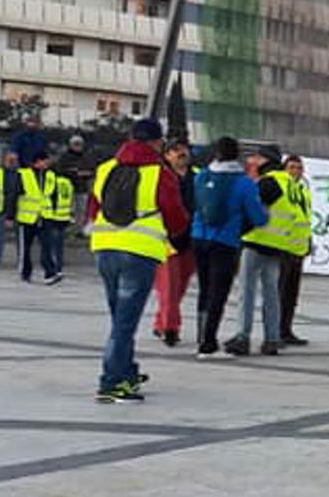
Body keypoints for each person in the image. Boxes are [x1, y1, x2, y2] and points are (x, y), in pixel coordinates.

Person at [86, 119, 189, 402]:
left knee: (120, 317)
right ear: (157, 142)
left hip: (104, 247)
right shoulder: (159, 173)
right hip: (139, 251)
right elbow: (174, 215)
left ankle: (127, 373)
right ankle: (110, 383)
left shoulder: (105, 169)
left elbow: (93, 209)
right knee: (125, 321)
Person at [191, 138, 267, 358]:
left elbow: (194, 204)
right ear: (237, 156)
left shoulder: (201, 176)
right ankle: (208, 343)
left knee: (204, 289)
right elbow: (258, 217)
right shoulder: (243, 183)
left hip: (198, 237)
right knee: (218, 292)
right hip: (225, 240)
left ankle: (201, 337)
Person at [228, 153, 301, 356]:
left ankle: (243, 336)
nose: (252, 162)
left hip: (256, 241)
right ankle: (271, 338)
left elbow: (255, 211)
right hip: (278, 244)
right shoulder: (290, 184)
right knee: (271, 294)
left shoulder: (269, 182)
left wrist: (238, 232)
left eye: (257, 159)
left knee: (247, 291)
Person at [152, 139, 199, 346]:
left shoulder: (197, 177)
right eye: (174, 151)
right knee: (169, 286)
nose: (180, 154)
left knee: (180, 285)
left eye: (183, 150)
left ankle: (160, 321)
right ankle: (171, 328)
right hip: (166, 238)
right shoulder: (160, 177)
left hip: (191, 237)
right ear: (166, 155)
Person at [276, 155, 314, 347]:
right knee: (279, 292)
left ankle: (286, 329)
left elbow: (305, 218)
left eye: (299, 168)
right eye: (291, 168)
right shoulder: (280, 188)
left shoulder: (302, 191)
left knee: (291, 294)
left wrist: (308, 241)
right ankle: (275, 331)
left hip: (298, 248)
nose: (296, 172)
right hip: (283, 246)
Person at [37, 154, 74, 285]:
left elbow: (50, 196)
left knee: (49, 246)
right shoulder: (67, 182)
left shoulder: (51, 180)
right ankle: (58, 268)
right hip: (64, 217)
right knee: (58, 246)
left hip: (52, 217)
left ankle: (53, 270)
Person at [14, 152, 49, 283]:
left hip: (41, 216)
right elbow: (15, 195)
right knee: (25, 248)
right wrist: (11, 216)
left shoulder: (47, 176)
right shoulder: (24, 174)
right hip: (26, 217)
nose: (46, 164)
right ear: (37, 162)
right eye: (44, 161)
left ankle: (50, 272)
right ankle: (25, 272)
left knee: (46, 245)